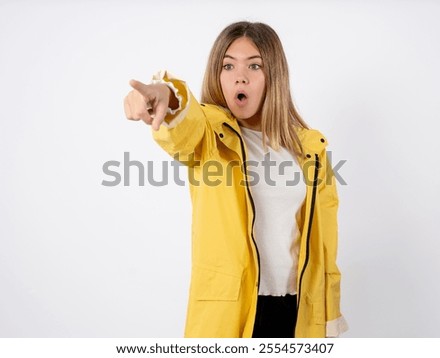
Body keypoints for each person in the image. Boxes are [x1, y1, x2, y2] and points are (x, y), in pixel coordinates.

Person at [124, 21, 348, 338]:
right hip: (232, 312)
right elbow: (184, 127)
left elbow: (325, 245)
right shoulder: (211, 135)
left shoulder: (310, 148)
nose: (239, 76)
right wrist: (168, 96)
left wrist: (328, 314)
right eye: (228, 65)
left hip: (297, 312)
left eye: (254, 65)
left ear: (275, 75)